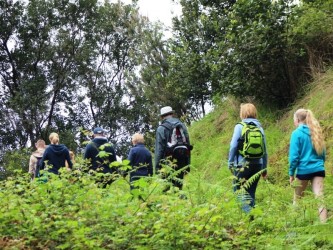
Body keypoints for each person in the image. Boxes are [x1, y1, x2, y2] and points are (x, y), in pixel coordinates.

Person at [228, 103, 268, 213]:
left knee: (239, 191)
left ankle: (249, 215)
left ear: (242, 113)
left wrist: (230, 163)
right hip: (258, 165)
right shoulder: (260, 128)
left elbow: (233, 146)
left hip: (242, 164)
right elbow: (265, 150)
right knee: (250, 193)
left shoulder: (239, 126)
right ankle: (253, 221)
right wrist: (264, 168)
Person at [289, 108, 327, 222]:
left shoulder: (296, 133)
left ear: (297, 119)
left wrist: (291, 173)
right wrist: (319, 165)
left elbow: (294, 157)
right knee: (320, 198)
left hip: (303, 170)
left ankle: (293, 226)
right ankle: (324, 225)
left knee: (297, 199)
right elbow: (323, 153)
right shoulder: (316, 131)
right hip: (318, 169)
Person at [154, 106, 191, 190]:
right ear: (172, 114)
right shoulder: (182, 126)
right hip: (182, 159)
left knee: (167, 188)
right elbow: (188, 146)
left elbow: (159, 150)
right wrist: (188, 164)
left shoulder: (161, 128)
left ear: (162, 116)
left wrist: (157, 168)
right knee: (178, 187)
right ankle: (180, 202)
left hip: (167, 162)